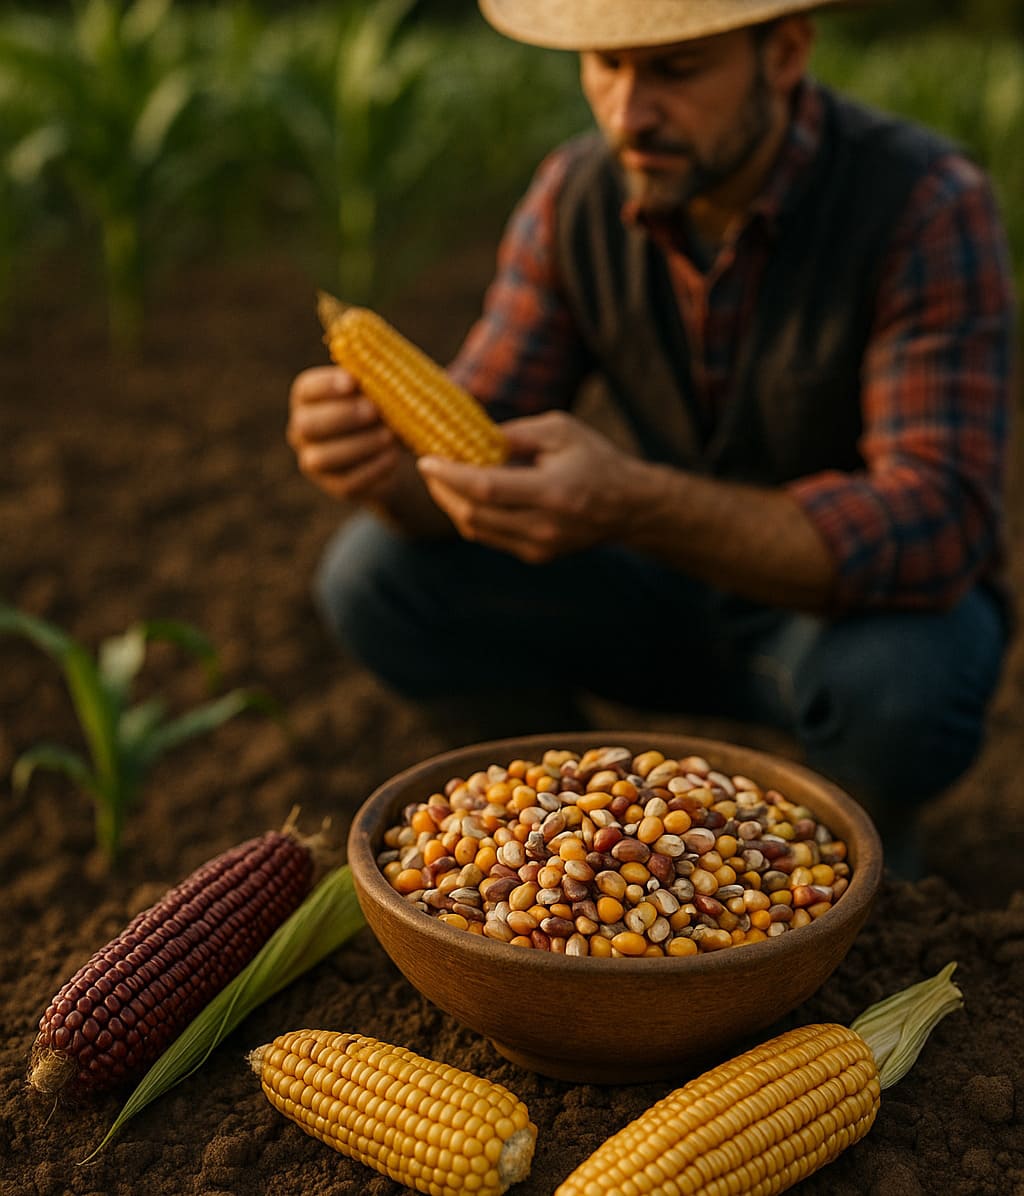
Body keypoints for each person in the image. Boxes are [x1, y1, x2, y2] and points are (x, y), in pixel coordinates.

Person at [286, 0, 1016, 874]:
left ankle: (858, 852)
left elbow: (939, 520)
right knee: (376, 576)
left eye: (675, 70)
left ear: (783, 54)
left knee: (907, 681)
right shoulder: (574, 196)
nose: (629, 112)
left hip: (832, 626)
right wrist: (382, 471)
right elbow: (476, 449)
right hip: (655, 592)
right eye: (607, 65)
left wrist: (633, 501)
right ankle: (561, 822)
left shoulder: (923, 204)